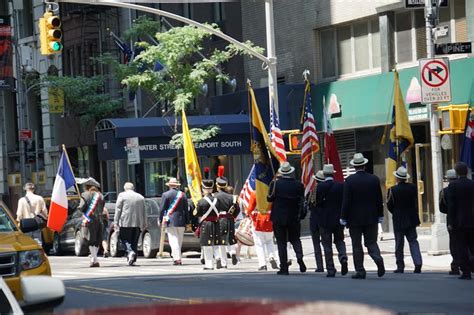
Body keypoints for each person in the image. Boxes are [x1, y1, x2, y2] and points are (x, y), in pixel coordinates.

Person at [340, 153, 385, 279]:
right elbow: (378, 199)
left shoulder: (349, 181)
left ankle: (360, 270)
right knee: (371, 242)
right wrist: (380, 215)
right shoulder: (374, 179)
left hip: (354, 219)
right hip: (371, 217)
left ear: (354, 167)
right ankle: (377, 258)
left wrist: (343, 217)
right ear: (365, 165)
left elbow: (346, 201)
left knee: (356, 245)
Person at [267, 162, 306, 275]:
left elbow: (269, 199)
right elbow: (301, 199)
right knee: (295, 239)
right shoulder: (298, 184)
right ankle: (299, 257)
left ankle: (284, 267)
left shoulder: (275, 184)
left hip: (279, 217)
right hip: (293, 216)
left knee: (281, 242)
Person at [387, 166, 422, 274]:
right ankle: (418, 263)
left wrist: (396, 212)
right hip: (411, 218)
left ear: (397, 178)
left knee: (399, 243)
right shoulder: (413, 187)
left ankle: (400, 266)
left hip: (398, 219)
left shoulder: (392, 190)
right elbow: (416, 202)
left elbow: (390, 205)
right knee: (413, 241)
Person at [315, 165, 348, 278]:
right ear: (333, 174)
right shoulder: (341, 186)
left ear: (324, 174)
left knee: (327, 244)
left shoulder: (319, 187)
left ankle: (330, 269)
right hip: (338, 218)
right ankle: (343, 256)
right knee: (339, 240)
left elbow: (316, 203)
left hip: (324, 220)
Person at [447, 162, 474, 280]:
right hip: (472, 220)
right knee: (472, 245)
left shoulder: (453, 186)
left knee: (461, 246)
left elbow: (451, 206)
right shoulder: (472, 184)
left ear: (457, 172)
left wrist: (450, 222)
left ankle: (466, 271)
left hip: (459, 221)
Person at [114, 182, 146, 266]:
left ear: (125, 188)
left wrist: (116, 222)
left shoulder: (122, 195)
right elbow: (144, 211)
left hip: (125, 222)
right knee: (134, 241)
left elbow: (118, 209)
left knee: (123, 238)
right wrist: (144, 222)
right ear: (133, 188)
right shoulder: (140, 197)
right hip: (137, 222)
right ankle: (132, 259)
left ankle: (130, 252)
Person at [159, 178, 189, 266]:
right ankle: (177, 257)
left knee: (173, 241)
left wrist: (160, 219)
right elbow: (186, 210)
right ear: (177, 185)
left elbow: (162, 209)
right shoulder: (183, 195)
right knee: (179, 241)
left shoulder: (165, 194)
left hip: (170, 220)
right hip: (181, 221)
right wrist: (187, 222)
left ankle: (177, 259)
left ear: (169, 185)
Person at [214, 176, 240, 269]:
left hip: (219, 220)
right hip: (230, 219)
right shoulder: (232, 197)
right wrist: (233, 217)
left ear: (217, 186)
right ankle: (232, 252)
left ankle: (224, 263)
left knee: (221, 242)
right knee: (231, 238)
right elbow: (237, 209)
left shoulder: (214, 196)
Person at [194, 179, 220, 270]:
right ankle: (218, 257)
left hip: (206, 224)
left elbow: (196, 214)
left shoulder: (201, 201)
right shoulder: (217, 200)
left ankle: (209, 265)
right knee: (216, 242)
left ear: (204, 189)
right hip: (216, 223)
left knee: (206, 245)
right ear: (212, 189)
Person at [79, 178, 104, 268]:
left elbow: (81, 207)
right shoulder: (100, 195)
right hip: (99, 219)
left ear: (87, 186)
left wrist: (78, 206)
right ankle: (95, 259)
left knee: (89, 239)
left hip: (88, 219)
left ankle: (93, 258)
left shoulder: (85, 195)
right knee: (96, 239)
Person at [439, 169, 460, 275]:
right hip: (468, 219)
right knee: (468, 242)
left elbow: (442, 208)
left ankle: (455, 265)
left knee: (454, 243)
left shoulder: (445, 191)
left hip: (452, 220)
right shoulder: (469, 186)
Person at [247, 202, 279, 271]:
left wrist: (252, 217)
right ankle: (271, 256)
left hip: (258, 221)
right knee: (270, 241)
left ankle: (262, 264)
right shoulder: (272, 193)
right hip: (269, 220)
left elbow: (249, 210)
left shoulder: (255, 194)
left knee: (259, 245)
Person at [307, 170, 325, 273]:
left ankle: (320, 266)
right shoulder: (329, 189)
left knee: (316, 244)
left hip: (314, 220)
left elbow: (309, 205)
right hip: (324, 220)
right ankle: (330, 264)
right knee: (326, 243)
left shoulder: (313, 191)